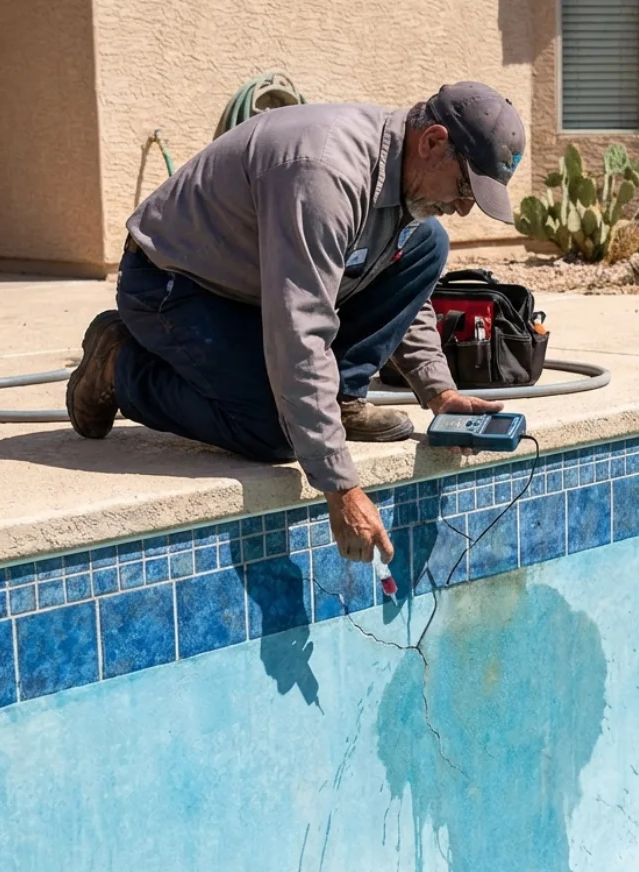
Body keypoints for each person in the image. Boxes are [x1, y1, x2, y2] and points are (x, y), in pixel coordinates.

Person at [65, 81, 526, 568]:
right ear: (433, 142)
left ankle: (341, 399)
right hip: (174, 284)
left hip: (253, 288)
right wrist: (340, 486)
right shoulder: (325, 176)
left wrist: (440, 393)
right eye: (464, 187)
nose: (464, 207)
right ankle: (119, 365)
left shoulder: (401, 177)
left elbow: (394, 279)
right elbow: (298, 333)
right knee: (275, 433)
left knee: (428, 243)